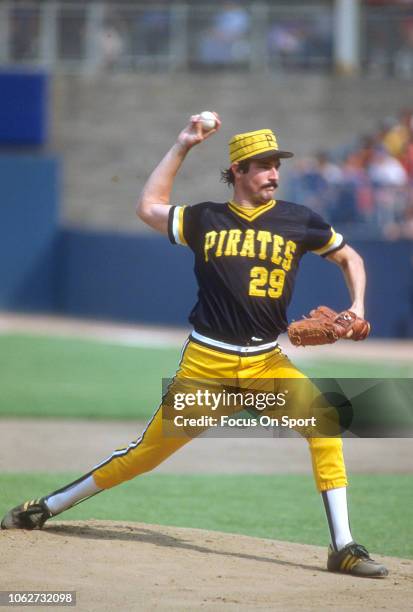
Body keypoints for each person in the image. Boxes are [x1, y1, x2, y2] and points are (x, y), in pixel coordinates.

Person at [1, 114, 388, 578]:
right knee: (142, 456)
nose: (274, 173)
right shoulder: (206, 218)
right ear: (239, 171)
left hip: (266, 364)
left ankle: (343, 547)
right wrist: (183, 145)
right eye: (263, 165)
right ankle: (47, 506)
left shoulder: (298, 220)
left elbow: (349, 255)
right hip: (208, 366)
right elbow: (148, 206)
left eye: (276, 164)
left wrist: (359, 306)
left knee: (324, 422)